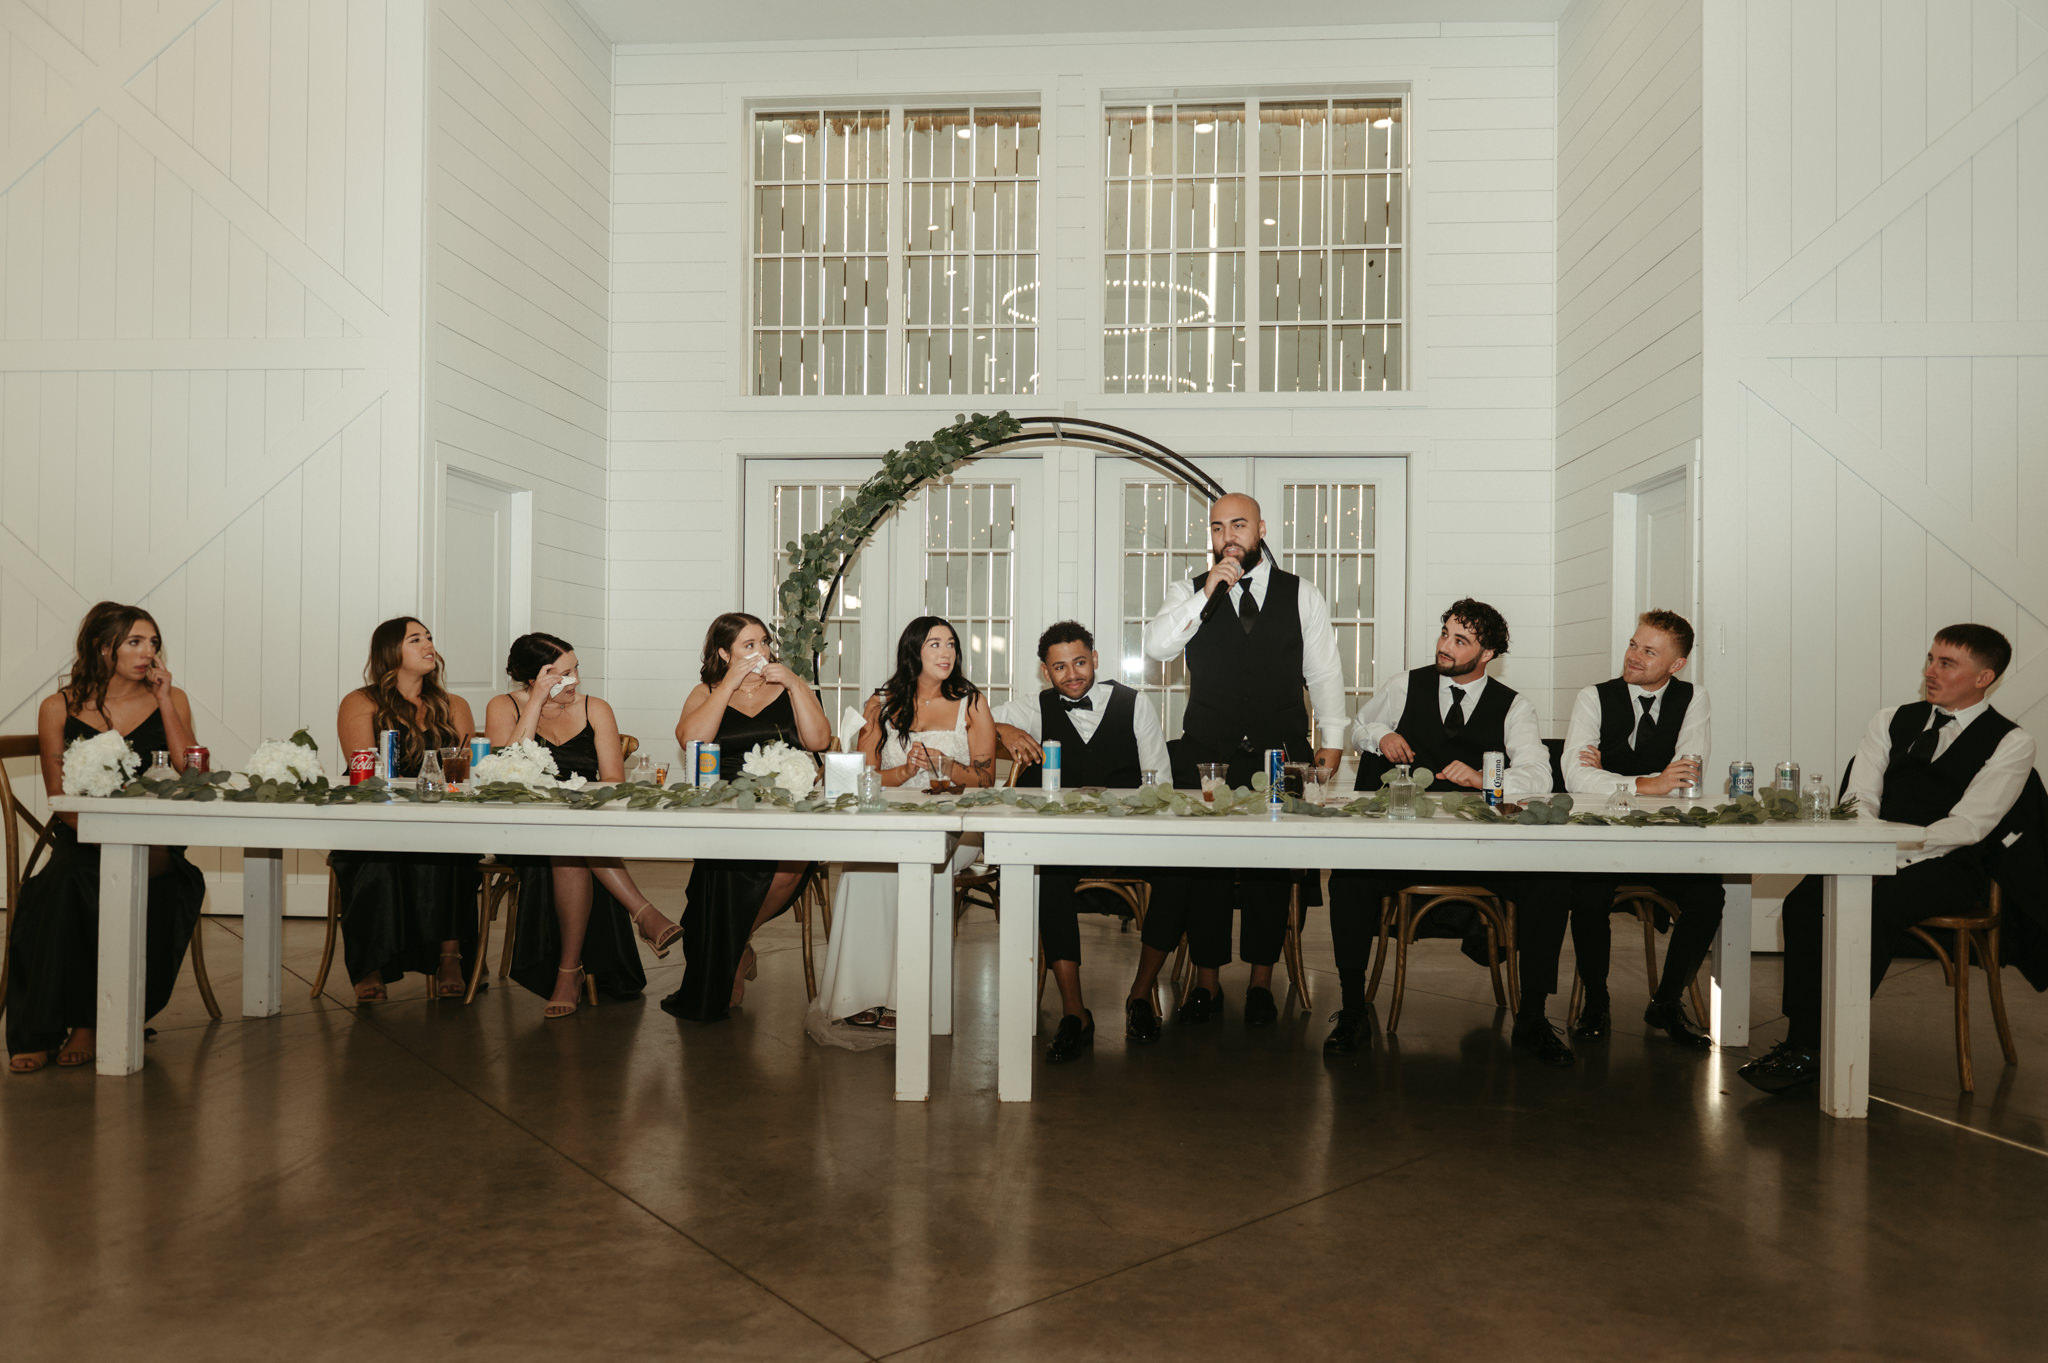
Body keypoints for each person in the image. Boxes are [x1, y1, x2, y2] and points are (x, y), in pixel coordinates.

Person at [1740, 624, 2036, 1094]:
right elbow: (1859, 798)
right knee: (1803, 903)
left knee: (1873, 908)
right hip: (1871, 850)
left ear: (1984, 678)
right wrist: (1869, 851)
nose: (1930, 671)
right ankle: (1804, 1040)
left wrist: (1891, 857)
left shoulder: (2011, 742)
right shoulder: (1890, 720)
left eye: (1946, 663)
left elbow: (1969, 826)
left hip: (1950, 865)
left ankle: (1818, 1045)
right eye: (1931, 659)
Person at [1121, 493, 1347, 1042]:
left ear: (1261, 528)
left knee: (1271, 870)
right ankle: (1207, 984)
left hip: (1281, 752)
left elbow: (1324, 672)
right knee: (1206, 871)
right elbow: (1158, 646)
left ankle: (1261, 984)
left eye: (1238, 525)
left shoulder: (1301, 593)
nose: (1228, 536)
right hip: (1208, 753)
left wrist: (1334, 741)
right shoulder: (1190, 590)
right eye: (1218, 527)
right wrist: (1208, 593)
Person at [1325, 598, 1575, 1065]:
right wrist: (1380, 736)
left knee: (1550, 882)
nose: (1445, 646)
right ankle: (1353, 1008)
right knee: (1350, 878)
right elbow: (1359, 726)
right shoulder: (1404, 685)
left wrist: (1485, 780)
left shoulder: (1514, 706)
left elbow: (1539, 775)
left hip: (1482, 849)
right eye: (1445, 634)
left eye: (1460, 641)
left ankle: (1534, 1017)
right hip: (1405, 844)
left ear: (1487, 654)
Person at [7, 603, 206, 1073]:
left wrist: (164, 700)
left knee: (112, 880)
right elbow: (60, 797)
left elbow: (194, 774)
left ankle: (89, 1023)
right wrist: (102, 836)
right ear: (102, 647)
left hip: (155, 839)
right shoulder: (58, 707)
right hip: (83, 833)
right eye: (135, 642)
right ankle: (39, 1029)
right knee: (63, 883)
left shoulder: (172, 699)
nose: (147, 652)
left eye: (153, 643)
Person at [808, 616, 994, 1045]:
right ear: (913, 651)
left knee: (906, 867)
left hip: (958, 826)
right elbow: (866, 776)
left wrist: (947, 766)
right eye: (935, 644)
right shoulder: (884, 703)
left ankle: (901, 997)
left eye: (951, 644)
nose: (946, 653)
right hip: (893, 818)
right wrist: (904, 771)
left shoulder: (971, 702)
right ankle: (859, 994)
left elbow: (985, 780)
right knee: (862, 868)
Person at [993, 621, 1173, 1064]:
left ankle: (1140, 995)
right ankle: (1075, 1013)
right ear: (1045, 671)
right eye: (1059, 667)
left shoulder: (1135, 704)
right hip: (1064, 843)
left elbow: (1161, 783)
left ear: (1095, 659)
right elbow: (972, 722)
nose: (1071, 674)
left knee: (1179, 875)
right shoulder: (1033, 708)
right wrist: (1003, 731)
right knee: (1047, 877)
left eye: (1079, 662)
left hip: (1129, 839)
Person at [485, 633, 680, 1018]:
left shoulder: (596, 708)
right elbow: (505, 774)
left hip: (586, 824)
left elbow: (614, 781)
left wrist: (577, 807)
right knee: (570, 844)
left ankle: (568, 972)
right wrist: (536, 703)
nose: (573, 680)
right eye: (559, 674)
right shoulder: (503, 707)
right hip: (523, 830)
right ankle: (642, 913)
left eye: (575, 669)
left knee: (570, 846)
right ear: (533, 678)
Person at [1557, 610, 1717, 1048]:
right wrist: (1650, 783)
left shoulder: (1694, 698)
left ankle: (1666, 1001)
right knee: (1587, 895)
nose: (1633, 656)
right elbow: (1575, 777)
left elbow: (1685, 778)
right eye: (1633, 644)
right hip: (1602, 836)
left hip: (1665, 838)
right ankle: (1596, 999)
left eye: (1649, 651)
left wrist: (1610, 776)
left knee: (1708, 897)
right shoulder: (1593, 697)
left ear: (1676, 664)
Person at [663, 613, 830, 1022]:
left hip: (786, 808)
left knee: (789, 869)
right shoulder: (706, 691)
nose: (762, 652)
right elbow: (692, 740)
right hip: (725, 806)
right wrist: (728, 686)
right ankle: (734, 952)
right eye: (749, 645)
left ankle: (736, 944)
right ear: (725, 653)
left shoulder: (788, 687)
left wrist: (795, 683)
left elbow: (819, 741)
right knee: (724, 869)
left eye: (765, 643)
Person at [332, 617, 481, 1004]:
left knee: (452, 854)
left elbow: (467, 771)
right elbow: (363, 770)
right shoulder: (361, 702)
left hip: (443, 817)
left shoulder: (453, 705)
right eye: (415, 639)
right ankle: (370, 964)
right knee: (373, 860)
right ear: (391, 652)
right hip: (376, 817)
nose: (428, 644)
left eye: (429, 637)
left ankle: (450, 958)